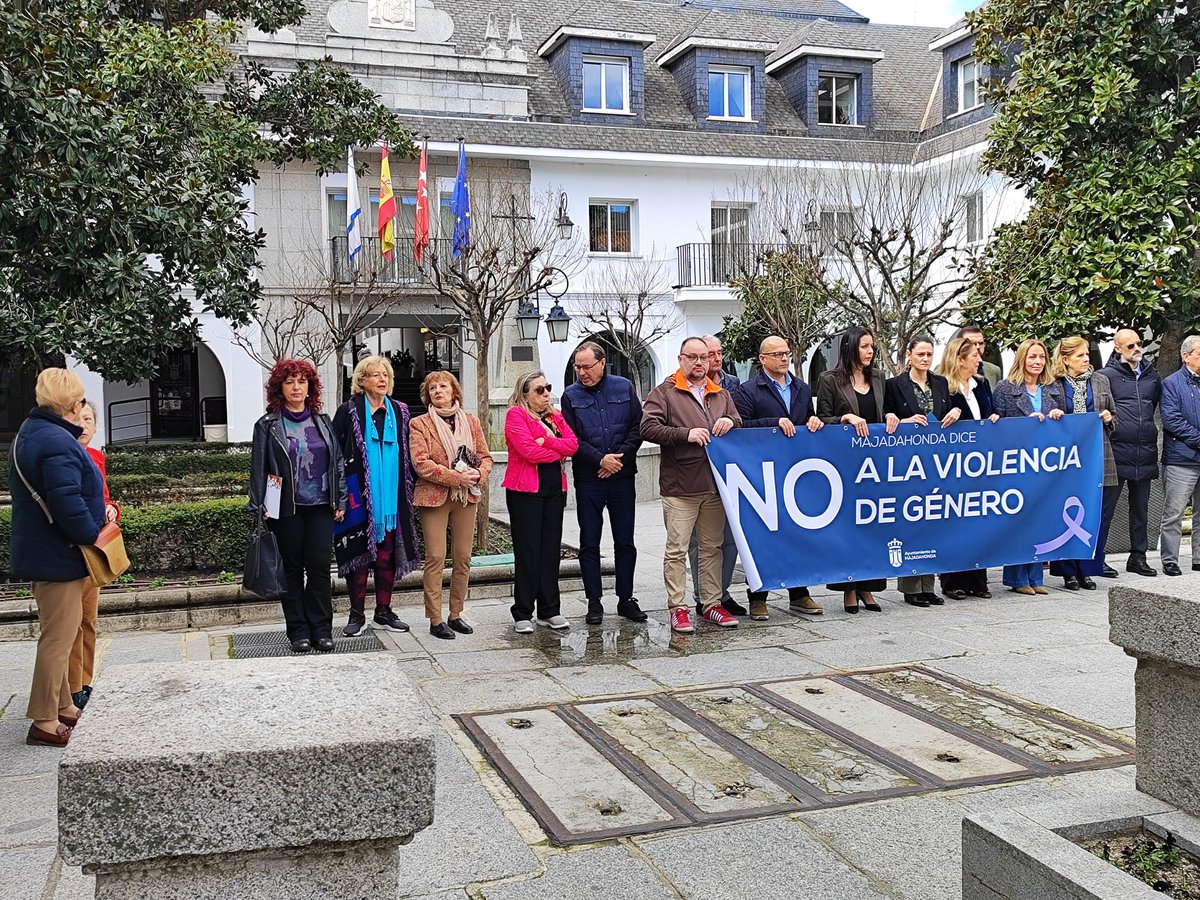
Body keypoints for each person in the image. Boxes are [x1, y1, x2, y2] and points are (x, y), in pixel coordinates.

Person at [8, 369, 104, 747]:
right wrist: (90, 533)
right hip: (59, 554)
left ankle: (64, 704)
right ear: (69, 404)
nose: (83, 407)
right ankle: (44, 720)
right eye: (80, 401)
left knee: (63, 634)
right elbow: (68, 503)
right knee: (58, 639)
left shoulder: (33, 434)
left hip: (48, 551)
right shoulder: (55, 443)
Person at [642, 336, 742, 633]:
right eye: (693, 357)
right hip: (680, 486)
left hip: (714, 484)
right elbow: (648, 427)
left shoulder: (720, 394)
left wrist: (731, 423)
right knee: (677, 549)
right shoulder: (665, 392)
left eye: (704, 358)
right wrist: (685, 434)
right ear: (681, 359)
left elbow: (738, 420)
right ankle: (677, 607)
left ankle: (711, 603)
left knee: (712, 548)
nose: (699, 363)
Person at [249, 359, 346, 653]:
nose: (296, 387)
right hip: (285, 507)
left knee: (318, 568)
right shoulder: (267, 425)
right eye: (290, 381)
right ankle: (298, 631)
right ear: (280, 387)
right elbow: (258, 468)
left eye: (302, 381)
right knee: (291, 570)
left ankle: (321, 629)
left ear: (310, 387)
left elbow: (337, 463)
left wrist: (340, 499)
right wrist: (258, 505)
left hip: (320, 505)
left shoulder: (323, 421)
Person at [732, 335, 825, 618]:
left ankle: (799, 593)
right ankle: (757, 596)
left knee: (797, 533)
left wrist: (814, 420)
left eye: (786, 353)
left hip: (796, 472)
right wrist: (774, 423)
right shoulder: (748, 391)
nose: (784, 358)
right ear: (762, 359)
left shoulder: (801, 387)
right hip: (762, 473)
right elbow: (742, 428)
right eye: (777, 354)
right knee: (762, 535)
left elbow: (808, 417)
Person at [332, 356, 421, 636]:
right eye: (375, 375)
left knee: (386, 557)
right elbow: (334, 456)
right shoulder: (348, 411)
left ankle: (383, 611)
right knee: (358, 557)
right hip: (359, 497)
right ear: (361, 381)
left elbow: (411, 455)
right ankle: (356, 615)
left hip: (393, 499)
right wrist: (339, 497)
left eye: (386, 375)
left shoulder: (401, 411)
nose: (382, 379)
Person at [560, 342, 646, 625]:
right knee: (589, 541)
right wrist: (600, 460)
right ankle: (594, 601)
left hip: (621, 475)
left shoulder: (623, 387)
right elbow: (572, 439)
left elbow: (637, 426)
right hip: (590, 478)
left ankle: (626, 598)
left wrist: (617, 459)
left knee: (625, 541)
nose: (581, 372)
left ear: (602, 363)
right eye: (577, 367)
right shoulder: (570, 396)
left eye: (586, 366)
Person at [816, 327, 896, 613]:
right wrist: (845, 417)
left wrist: (889, 415)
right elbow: (821, 418)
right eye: (864, 347)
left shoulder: (878, 377)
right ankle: (848, 588)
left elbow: (885, 409)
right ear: (850, 348)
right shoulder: (829, 379)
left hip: (874, 464)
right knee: (848, 528)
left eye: (872, 347)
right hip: (844, 464)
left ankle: (868, 587)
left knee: (873, 525)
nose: (870, 352)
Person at [409, 371, 493, 640]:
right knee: (435, 556)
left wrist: (479, 474)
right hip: (435, 496)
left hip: (467, 496)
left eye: (443, 386)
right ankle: (434, 618)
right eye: (432, 388)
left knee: (463, 556)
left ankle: (456, 613)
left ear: (454, 391)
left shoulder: (470, 420)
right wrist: (456, 478)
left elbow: (485, 456)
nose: (437, 391)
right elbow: (421, 463)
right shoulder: (419, 424)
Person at [884, 335, 962, 607]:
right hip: (907, 462)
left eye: (930, 354)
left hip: (936, 463)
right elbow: (887, 418)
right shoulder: (894, 385)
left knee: (933, 521)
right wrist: (904, 421)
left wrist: (955, 413)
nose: (926, 359)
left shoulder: (940, 382)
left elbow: (953, 409)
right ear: (909, 355)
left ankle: (928, 585)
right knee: (910, 521)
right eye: (921, 354)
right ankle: (910, 586)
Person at [503, 370, 578, 633]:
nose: (546, 394)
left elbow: (572, 445)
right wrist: (555, 448)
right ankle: (522, 612)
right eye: (539, 390)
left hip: (554, 489)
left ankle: (549, 610)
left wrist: (547, 439)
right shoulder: (516, 415)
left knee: (550, 550)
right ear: (525, 395)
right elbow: (528, 452)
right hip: (525, 492)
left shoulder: (555, 416)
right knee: (528, 551)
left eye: (547, 388)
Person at [992, 339, 1066, 594]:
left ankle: (1035, 577)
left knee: (1041, 518)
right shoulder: (1004, 388)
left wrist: (1057, 415)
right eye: (1032, 357)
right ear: (1022, 359)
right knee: (1019, 519)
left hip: (1046, 464)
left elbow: (1064, 421)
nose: (1037, 362)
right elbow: (998, 425)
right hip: (1017, 462)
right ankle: (1017, 578)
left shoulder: (1053, 388)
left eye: (1041, 357)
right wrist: (1026, 423)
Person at [1048, 337, 1117, 591]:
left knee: (1094, 514)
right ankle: (1068, 572)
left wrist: (1109, 417)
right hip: (1066, 460)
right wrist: (1055, 416)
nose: (1086, 359)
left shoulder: (1100, 381)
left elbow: (1114, 416)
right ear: (1065, 359)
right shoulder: (1053, 384)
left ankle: (1087, 570)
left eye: (1087, 354)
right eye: (1080, 356)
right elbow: (1048, 418)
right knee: (1066, 512)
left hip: (1099, 456)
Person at [937, 337, 999, 600]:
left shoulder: (982, 384)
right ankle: (953, 580)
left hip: (979, 464)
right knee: (954, 522)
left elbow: (990, 412)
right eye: (974, 355)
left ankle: (978, 579)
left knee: (979, 520)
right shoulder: (943, 388)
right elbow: (936, 420)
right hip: (952, 466)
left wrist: (994, 417)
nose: (979, 359)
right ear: (959, 359)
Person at [69, 400, 119, 710]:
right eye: (78, 418)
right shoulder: (64, 457)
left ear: (96, 426)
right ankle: (72, 686)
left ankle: (85, 682)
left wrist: (113, 508)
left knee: (89, 619)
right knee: (71, 622)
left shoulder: (96, 457)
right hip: (73, 546)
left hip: (94, 547)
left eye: (89, 419)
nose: (84, 425)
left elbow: (103, 498)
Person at [689, 334, 744, 616]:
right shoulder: (680, 386)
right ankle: (702, 595)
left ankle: (722, 593)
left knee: (730, 537)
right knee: (700, 540)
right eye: (710, 353)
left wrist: (731, 420)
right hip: (696, 474)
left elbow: (741, 418)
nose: (716, 358)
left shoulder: (732, 385)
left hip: (729, 471)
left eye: (719, 353)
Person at [1102, 329, 1161, 577]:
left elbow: (1153, 406)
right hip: (1116, 453)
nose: (1137, 349)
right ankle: (1097, 557)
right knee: (1106, 509)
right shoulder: (1106, 376)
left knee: (1141, 510)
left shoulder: (1152, 376)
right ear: (1117, 349)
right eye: (1130, 346)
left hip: (1144, 451)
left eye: (1139, 344)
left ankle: (1138, 557)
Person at [1158, 335, 1200, 576]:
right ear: (1186, 356)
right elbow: (1173, 421)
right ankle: (1170, 560)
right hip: (1181, 459)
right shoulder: (1172, 383)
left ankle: (1198, 558)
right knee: (1173, 513)